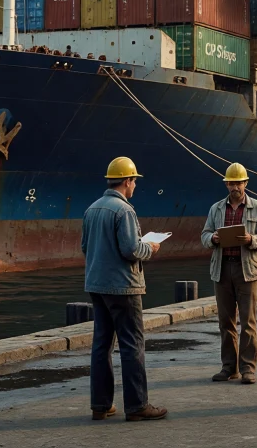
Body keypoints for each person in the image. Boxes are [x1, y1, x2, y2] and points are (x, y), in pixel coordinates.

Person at [82, 157, 167, 422]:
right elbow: (131, 250)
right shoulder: (124, 211)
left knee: (101, 345)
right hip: (124, 288)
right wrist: (150, 248)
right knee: (132, 346)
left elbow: (86, 247)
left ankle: (100, 405)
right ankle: (137, 406)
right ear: (128, 181)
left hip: (97, 286)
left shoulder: (92, 209)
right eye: (134, 181)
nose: (135, 187)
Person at [200, 162, 257, 384]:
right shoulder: (216, 209)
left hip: (246, 269)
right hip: (222, 268)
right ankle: (229, 367)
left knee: (248, 321)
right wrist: (213, 239)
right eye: (231, 183)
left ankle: (248, 368)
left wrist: (251, 240)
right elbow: (204, 235)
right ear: (226, 184)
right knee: (226, 322)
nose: (234, 187)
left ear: (246, 183)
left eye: (238, 182)